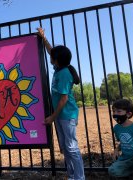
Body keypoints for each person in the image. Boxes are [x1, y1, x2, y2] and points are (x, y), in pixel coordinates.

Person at [37, 27, 85, 180]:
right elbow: (51, 50)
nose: (50, 56)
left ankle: (79, 177)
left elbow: (64, 99)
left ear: (57, 59)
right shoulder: (59, 68)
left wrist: (52, 117)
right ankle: (72, 176)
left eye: (53, 56)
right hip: (61, 115)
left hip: (67, 115)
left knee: (71, 147)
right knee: (65, 148)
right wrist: (44, 38)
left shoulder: (63, 73)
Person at [108, 99, 133, 178]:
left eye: (119, 111)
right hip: (126, 159)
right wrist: (116, 149)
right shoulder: (116, 128)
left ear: (128, 114)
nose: (115, 114)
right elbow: (122, 142)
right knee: (112, 171)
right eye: (114, 111)